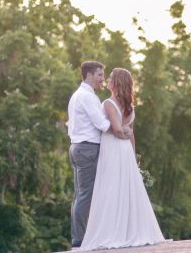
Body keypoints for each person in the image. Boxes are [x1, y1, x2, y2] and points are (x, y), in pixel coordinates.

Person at [78, 68, 167, 251]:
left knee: (111, 188)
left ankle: (114, 232)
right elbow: (131, 133)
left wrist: (123, 132)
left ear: (116, 83)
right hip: (126, 150)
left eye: (110, 78)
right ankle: (126, 229)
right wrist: (133, 157)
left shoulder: (109, 103)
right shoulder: (130, 106)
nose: (107, 80)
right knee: (124, 188)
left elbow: (118, 131)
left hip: (113, 149)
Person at [67, 61, 130, 249]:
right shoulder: (86, 97)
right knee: (85, 195)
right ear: (89, 75)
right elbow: (102, 124)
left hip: (79, 147)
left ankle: (81, 237)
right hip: (87, 149)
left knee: (81, 194)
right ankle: (79, 240)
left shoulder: (80, 95)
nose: (103, 79)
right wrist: (123, 130)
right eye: (100, 75)